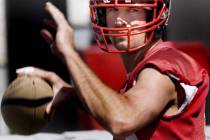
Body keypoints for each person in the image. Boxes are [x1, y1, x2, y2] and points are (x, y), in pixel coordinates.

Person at [16, 0, 209, 139]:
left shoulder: (164, 66)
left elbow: (122, 121)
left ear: (157, 13)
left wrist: (70, 53)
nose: (119, 20)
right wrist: (71, 94)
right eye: (113, 9)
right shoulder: (141, 70)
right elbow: (123, 111)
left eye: (133, 9)